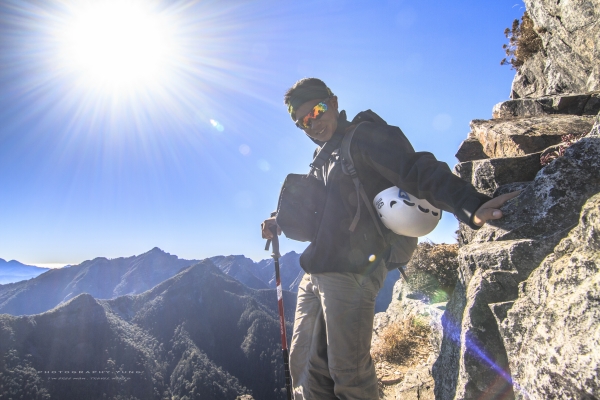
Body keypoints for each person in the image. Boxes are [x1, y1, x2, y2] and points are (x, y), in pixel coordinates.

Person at [261, 78, 519, 399]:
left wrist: (469, 203)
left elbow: (416, 169)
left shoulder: (365, 137)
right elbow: (321, 214)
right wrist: (278, 222)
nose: (312, 124)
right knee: (304, 366)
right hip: (314, 272)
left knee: (348, 375)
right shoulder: (323, 158)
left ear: (334, 102)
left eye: (317, 110)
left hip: (351, 275)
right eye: (303, 122)